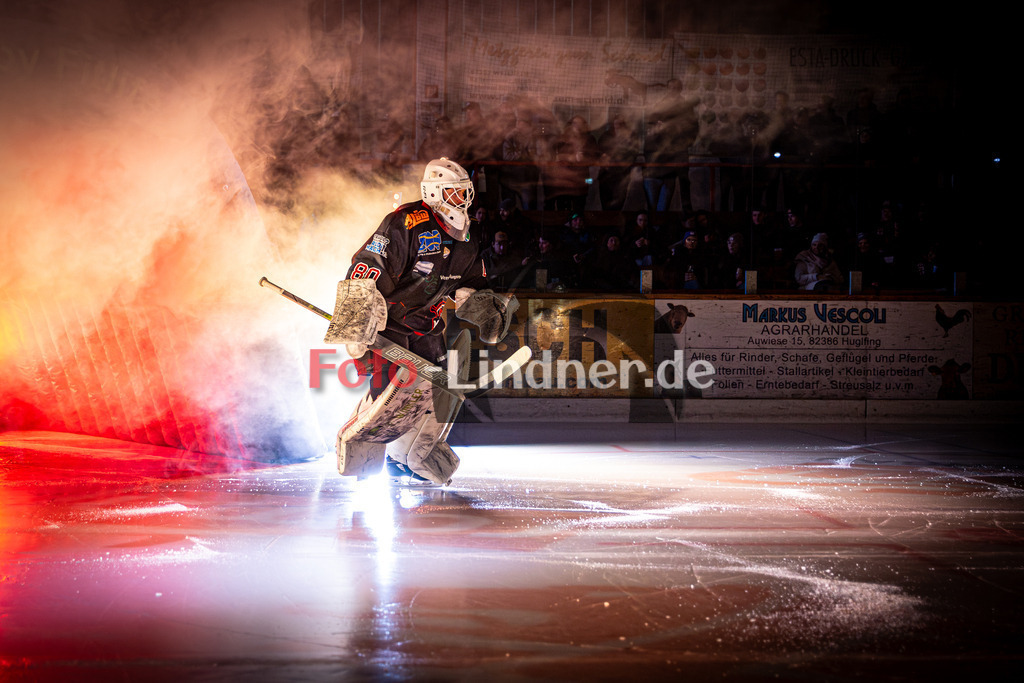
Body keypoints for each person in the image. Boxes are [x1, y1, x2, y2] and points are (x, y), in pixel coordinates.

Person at [323, 158, 518, 485]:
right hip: (388, 328)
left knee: (435, 393)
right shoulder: (406, 223)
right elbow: (366, 267)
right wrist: (354, 325)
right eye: (455, 193)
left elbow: (470, 283)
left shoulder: (466, 237)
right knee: (390, 397)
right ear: (434, 192)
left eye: (465, 193)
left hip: (427, 325)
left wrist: (486, 310)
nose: (464, 201)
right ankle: (366, 449)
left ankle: (413, 457)